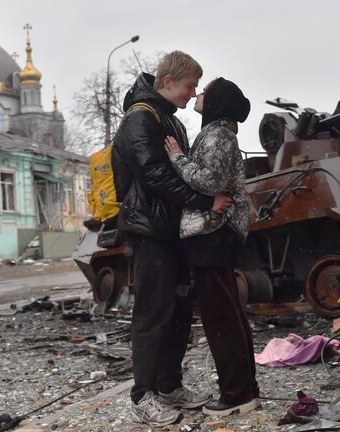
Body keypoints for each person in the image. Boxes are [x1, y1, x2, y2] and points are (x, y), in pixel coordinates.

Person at [111, 51, 233, 427]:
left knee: (178, 310)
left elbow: (184, 172)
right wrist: (205, 202)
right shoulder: (140, 118)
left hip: (174, 229)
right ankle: (142, 395)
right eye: (189, 86)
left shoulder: (170, 121)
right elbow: (154, 176)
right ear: (168, 81)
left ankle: (168, 385)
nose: (192, 93)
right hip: (150, 230)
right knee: (152, 313)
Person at [164, 77, 260, 417]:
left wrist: (177, 158)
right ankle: (245, 388)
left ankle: (236, 394)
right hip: (216, 233)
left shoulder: (217, 135)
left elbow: (210, 182)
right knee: (229, 314)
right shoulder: (218, 133)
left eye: (205, 91)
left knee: (220, 318)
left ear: (217, 101)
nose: (199, 94)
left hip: (213, 232)